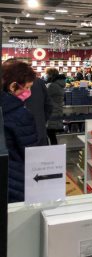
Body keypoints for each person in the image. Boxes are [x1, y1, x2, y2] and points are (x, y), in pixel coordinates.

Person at [0, 60, 38, 203]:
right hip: (18, 180)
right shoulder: (20, 114)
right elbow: (30, 153)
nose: (28, 92)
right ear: (13, 86)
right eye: (27, 87)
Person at [26, 78, 53, 146]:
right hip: (39, 131)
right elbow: (49, 105)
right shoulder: (38, 81)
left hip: (16, 139)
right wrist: (42, 120)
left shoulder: (7, 81)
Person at [45, 68, 65, 145]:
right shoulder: (58, 85)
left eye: (47, 74)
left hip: (52, 114)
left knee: (50, 135)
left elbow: (44, 96)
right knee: (52, 135)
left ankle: (53, 154)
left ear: (50, 75)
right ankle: (54, 153)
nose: (46, 76)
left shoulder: (52, 86)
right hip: (56, 112)